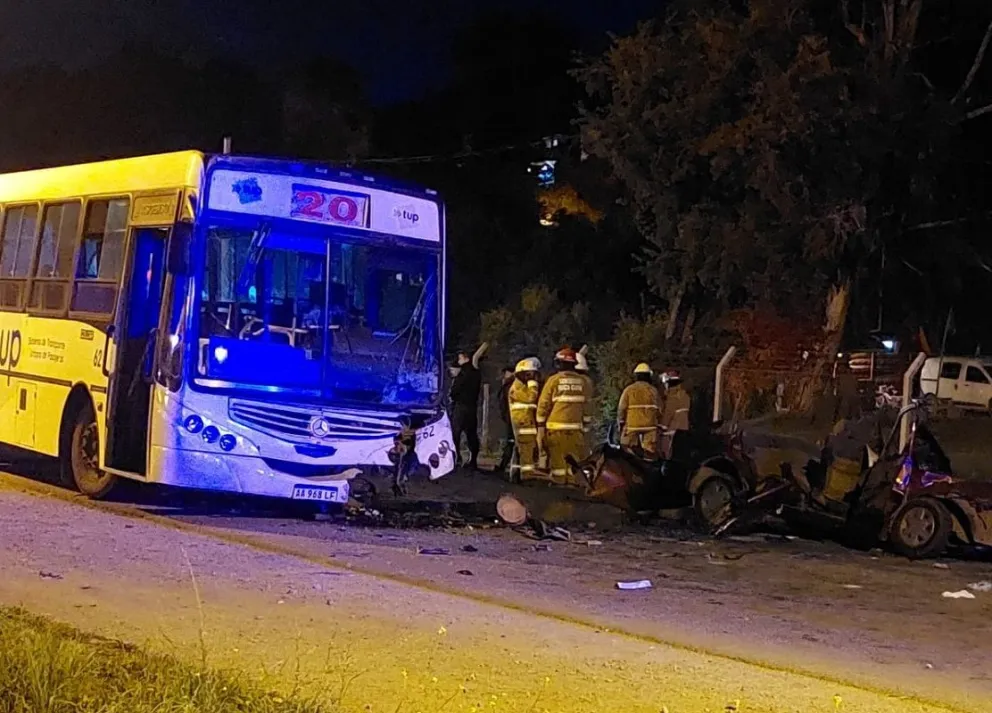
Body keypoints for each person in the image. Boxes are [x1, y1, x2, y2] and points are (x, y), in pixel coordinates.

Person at [536, 347, 594, 485]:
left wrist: (540, 427)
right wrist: (586, 428)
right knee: (574, 462)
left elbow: (543, 405)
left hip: (556, 430)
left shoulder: (553, 381)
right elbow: (588, 407)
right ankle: (572, 486)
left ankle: (559, 488)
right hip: (575, 431)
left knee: (558, 463)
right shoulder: (585, 382)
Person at [448, 342, 488, 470]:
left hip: (461, 406)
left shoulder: (466, 372)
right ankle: (473, 460)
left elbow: (455, 390)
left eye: (460, 357)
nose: (458, 360)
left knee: (456, 433)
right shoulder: (474, 372)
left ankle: (456, 458)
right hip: (472, 407)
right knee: (471, 434)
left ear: (465, 358)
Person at [508, 357, 542, 481]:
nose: (532, 377)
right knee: (526, 450)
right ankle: (526, 476)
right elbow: (530, 398)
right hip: (522, 424)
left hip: (526, 422)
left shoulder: (522, 386)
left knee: (523, 450)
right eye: (529, 374)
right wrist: (533, 384)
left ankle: (517, 475)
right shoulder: (517, 388)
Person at [618, 363, 661, 456]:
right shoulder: (654, 390)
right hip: (650, 426)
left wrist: (621, 421)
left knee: (627, 448)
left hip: (632, 426)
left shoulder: (629, 390)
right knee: (650, 451)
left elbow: (622, 408)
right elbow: (660, 408)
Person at [659, 369, 691, 459]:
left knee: (668, 455)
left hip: (671, 433)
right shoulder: (685, 396)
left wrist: (661, 426)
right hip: (684, 430)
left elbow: (668, 414)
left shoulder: (672, 397)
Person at [496, 366, 516, 476]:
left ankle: (504, 465)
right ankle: (505, 464)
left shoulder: (511, 386)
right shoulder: (509, 385)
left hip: (512, 418)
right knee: (511, 442)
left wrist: (505, 416)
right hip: (511, 418)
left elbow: (504, 404)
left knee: (511, 442)